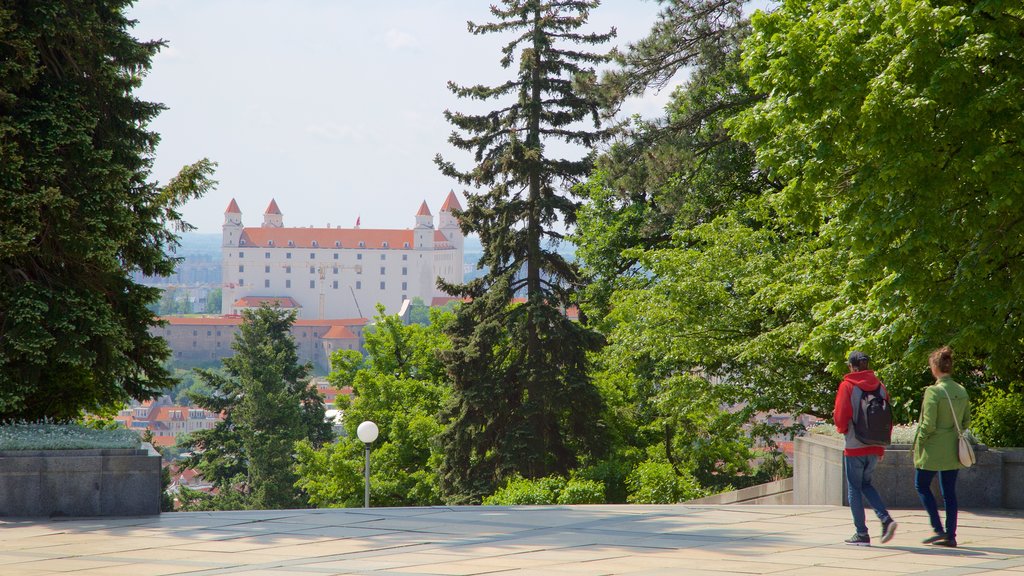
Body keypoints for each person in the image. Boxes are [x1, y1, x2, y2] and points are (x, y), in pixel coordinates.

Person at [833, 350, 897, 546]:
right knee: (866, 484)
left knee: (854, 488)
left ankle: (861, 533)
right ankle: (885, 519)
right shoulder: (880, 387)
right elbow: (887, 418)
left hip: (854, 445)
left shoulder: (848, 386)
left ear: (852, 367)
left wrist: (843, 430)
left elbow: (841, 416)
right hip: (875, 445)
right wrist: (881, 446)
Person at [914, 346, 970, 548]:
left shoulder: (933, 391)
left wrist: (920, 442)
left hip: (932, 446)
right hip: (952, 447)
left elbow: (928, 424)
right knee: (949, 492)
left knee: (921, 485)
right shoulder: (961, 390)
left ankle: (937, 528)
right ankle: (951, 535)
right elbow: (965, 422)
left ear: (935, 368)